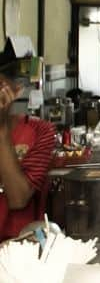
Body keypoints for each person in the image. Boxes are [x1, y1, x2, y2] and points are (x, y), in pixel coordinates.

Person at [0, 75, 56, 241]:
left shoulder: (40, 131)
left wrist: (1, 130)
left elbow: (18, 198)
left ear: (16, 89)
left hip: (19, 248)